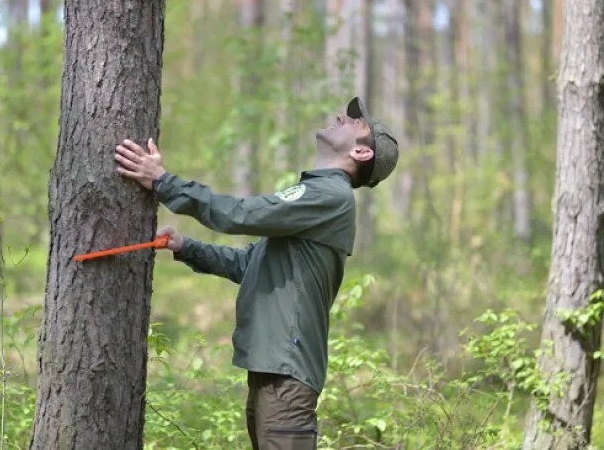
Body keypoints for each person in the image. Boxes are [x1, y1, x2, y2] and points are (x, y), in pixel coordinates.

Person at [114, 96, 399, 449]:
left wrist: (164, 182)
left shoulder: (329, 196)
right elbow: (250, 265)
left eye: (356, 124)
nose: (343, 117)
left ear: (362, 153)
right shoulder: (318, 195)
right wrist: (187, 247)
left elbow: (240, 214)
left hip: (287, 373)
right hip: (274, 370)